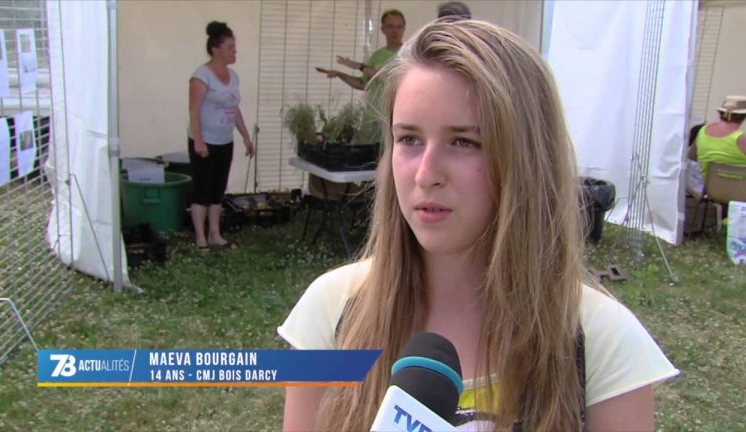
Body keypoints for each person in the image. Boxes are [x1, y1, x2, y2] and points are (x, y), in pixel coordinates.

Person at [279, 19, 678, 431]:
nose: (425, 174)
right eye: (409, 139)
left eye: (464, 142)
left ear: (527, 159)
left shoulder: (602, 340)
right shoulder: (331, 310)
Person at [188, 21, 254, 251]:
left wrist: (245, 136)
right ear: (216, 49)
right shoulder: (201, 76)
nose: (235, 52)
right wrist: (198, 141)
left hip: (225, 141)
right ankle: (200, 238)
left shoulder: (233, 77)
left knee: (217, 190)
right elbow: (194, 110)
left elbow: (234, 108)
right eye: (230, 47)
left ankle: (215, 234)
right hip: (205, 142)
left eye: (234, 47)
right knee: (202, 190)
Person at [316, 10, 405, 144]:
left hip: (394, 121)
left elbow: (389, 79)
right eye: (390, 26)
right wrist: (340, 74)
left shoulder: (409, 56)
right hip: (372, 120)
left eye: (399, 26)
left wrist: (360, 66)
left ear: (404, 29)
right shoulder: (377, 56)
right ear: (382, 30)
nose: (394, 31)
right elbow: (363, 85)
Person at [687, 95, 746, 180]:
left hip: (710, 191)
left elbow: (691, 157)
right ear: (744, 116)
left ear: (720, 112)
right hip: (741, 191)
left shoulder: (702, 131)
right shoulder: (743, 139)